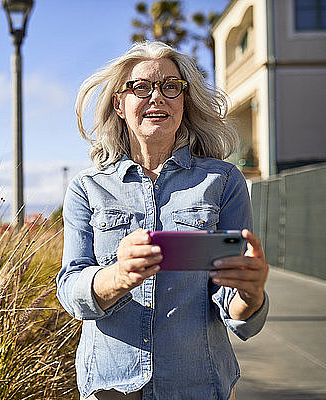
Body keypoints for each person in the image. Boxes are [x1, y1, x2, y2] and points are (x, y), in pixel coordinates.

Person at [56, 41, 269, 400]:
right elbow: (70, 290)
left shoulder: (223, 181)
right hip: (112, 386)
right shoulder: (87, 188)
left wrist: (251, 293)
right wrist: (118, 276)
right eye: (141, 87)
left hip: (200, 386)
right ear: (119, 105)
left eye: (171, 86)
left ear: (184, 102)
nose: (158, 96)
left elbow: (230, 297)